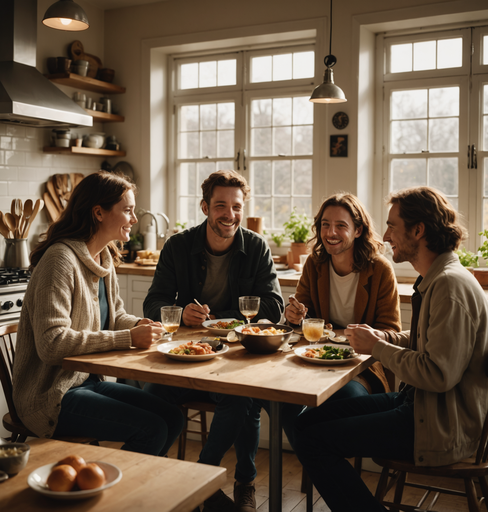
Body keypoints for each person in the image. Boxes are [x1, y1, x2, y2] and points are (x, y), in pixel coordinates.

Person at [293, 186, 488, 511]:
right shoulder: (440, 277)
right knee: (302, 422)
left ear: (419, 231)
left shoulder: (448, 286)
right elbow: (424, 346)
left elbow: (438, 374)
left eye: (392, 226)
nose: (385, 235)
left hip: (438, 424)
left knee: (311, 441)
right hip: (419, 405)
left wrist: (377, 347)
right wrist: (383, 338)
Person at [12, 171, 184, 457]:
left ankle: (130, 490)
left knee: (172, 418)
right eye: (127, 210)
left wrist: (140, 325)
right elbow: (51, 344)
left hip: (86, 382)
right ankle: (121, 496)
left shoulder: (104, 257)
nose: (133, 219)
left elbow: (115, 317)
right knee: (151, 429)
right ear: (99, 213)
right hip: (51, 395)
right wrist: (127, 336)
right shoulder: (60, 261)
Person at [143, 170, 284, 512]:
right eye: (221, 205)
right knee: (150, 394)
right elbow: (154, 303)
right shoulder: (178, 246)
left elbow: (275, 307)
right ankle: (151, 484)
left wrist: (223, 315)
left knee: (243, 398)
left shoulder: (256, 246)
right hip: (186, 355)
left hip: (233, 358)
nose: (230, 214)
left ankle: (216, 479)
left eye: (236, 206)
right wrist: (179, 313)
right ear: (205, 207)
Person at [258, 193, 401, 451]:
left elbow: (391, 331)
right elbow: (297, 319)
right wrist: (293, 317)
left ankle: (317, 458)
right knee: (275, 398)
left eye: (340, 226)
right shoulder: (315, 264)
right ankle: (312, 455)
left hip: (360, 369)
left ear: (358, 230)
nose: (330, 232)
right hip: (312, 361)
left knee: (340, 403)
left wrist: (348, 334)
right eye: (325, 224)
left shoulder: (380, 269)